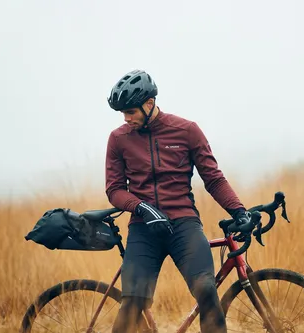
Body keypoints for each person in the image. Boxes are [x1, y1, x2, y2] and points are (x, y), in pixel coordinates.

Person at [105, 69, 251, 333]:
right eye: (122, 114)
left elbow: (214, 179)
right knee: (132, 302)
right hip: (143, 228)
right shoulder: (118, 139)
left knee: (206, 290)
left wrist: (239, 210)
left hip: (183, 224)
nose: (126, 119)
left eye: (131, 112)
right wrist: (143, 208)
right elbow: (114, 190)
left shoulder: (187, 131)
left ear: (149, 104)